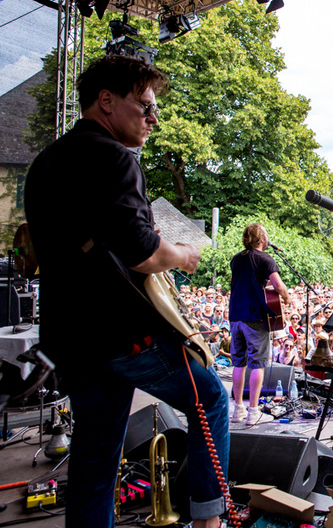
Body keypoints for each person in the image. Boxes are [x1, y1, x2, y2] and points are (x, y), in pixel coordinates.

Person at [24, 55, 228, 528]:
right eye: (145, 107)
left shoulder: (46, 162)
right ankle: (210, 519)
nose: (153, 119)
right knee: (211, 400)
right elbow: (143, 254)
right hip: (120, 334)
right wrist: (181, 253)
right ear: (107, 101)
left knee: (95, 461)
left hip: (70, 341)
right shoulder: (115, 157)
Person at [229, 222, 290, 425]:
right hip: (254, 317)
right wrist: (288, 298)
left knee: (239, 363)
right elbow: (279, 285)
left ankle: (238, 410)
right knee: (258, 364)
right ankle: (253, 411)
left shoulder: (236, 259)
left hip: (235, 316)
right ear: (262, 240)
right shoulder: (266, 259)